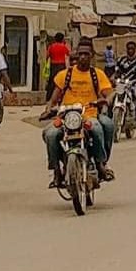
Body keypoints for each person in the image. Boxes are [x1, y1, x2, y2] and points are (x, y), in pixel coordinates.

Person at [45, 39, 116, 184]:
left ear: (91, 56)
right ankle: (56, 170)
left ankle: (100, 164)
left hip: (88, 116)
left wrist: (106, 100)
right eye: (80, 54)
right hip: (66, 117)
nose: (83, 57)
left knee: (98, 130)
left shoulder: (98, 74)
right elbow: (53, 97)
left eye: (86, 54)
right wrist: (49, 109)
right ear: (76, 56)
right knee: (50, 134)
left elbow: (110, 93)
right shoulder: (65, 75)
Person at [45, 32, 71, 103]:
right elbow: (68, 54)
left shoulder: (51, 47)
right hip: (61, 65)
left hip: (53, 65)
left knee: (52, 82)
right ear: (62, 39)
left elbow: (47, 56)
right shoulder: (64, 47)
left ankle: (49, 97)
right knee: (62, 82)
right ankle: (60, 97)